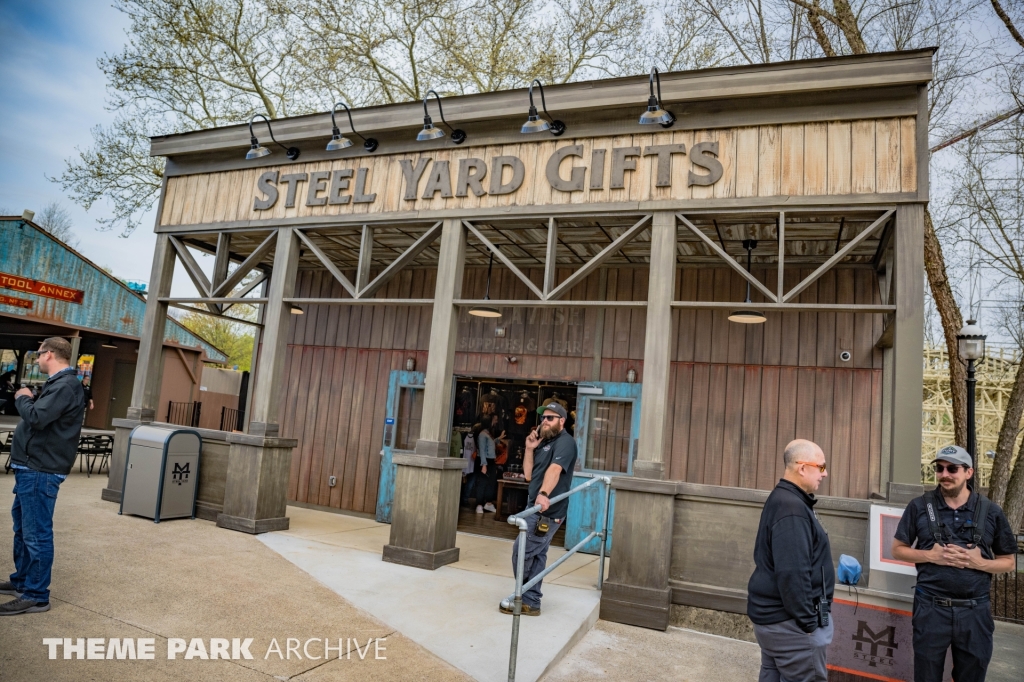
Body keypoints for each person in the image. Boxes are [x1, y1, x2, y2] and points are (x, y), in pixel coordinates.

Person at [892, 445, 1017, 682]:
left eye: (952, 468)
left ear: (968, 472)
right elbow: (898, 550)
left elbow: (1008, 562)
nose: (944, 474)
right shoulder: (919, 506)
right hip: (930, 609)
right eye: (939, 468)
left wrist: (979, 563)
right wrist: (930, 556)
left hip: (975, 612)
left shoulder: (990, 511)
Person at [0, 337, 84, 616]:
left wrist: (22, 397)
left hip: (41, 469)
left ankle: (36, 595)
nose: (36, 359)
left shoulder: (65, 385)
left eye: (38, 355)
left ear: (49, 354)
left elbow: (36, 418)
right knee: (24, 529)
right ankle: (22, 582)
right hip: (32, 468)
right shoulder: (59, 384)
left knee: (36, 534)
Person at [747, 439, 835, 682]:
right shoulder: (791, 508)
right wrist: (809, 625)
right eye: (821, 466)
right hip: (790, 626)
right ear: (802, 467)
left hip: (777, 621)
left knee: (772, 674)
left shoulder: (788, 499)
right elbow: (792, 574)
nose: (825, 473)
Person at [499, 402, 578, 617]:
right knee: (537, 555)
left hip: (546, 512)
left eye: (550, 418)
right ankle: (531, 601)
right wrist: (529, 449)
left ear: (562, 421)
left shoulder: (565, 443)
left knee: (521, 551)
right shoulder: (544, 443)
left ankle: (522, 595)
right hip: (534, 506)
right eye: (543, 417)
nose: (545, 421)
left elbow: (555, 470)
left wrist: (543, 495)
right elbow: (528, 475)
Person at [473, 423, 498, 514]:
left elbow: (491, 445)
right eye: (493, 421)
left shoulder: (488, 433)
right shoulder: (482, 434)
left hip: (490, 460)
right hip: (485, 460)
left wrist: (499, 439)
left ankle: (488, 503)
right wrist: (484, 464)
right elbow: (482, 449)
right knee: (482, 482)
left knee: (491, 482)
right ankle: (479, 504)